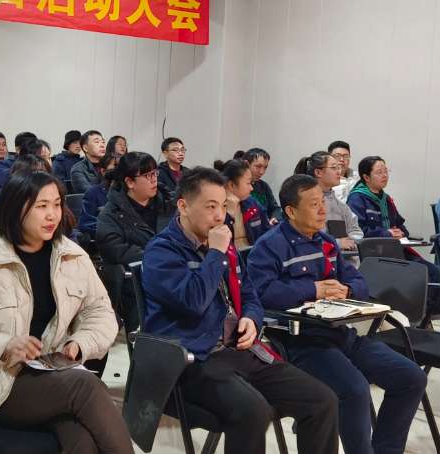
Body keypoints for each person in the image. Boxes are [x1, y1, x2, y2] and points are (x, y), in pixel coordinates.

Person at [141, 167, 340, 454]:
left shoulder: (224, 246)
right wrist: (215, 253)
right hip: (192, 358)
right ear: (183, 206)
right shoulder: (162, 251)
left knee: (322, 400)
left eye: (223, 206)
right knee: (253, 412)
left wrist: (251, 319)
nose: (219, 216)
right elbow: (193, 301)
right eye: (210, 207)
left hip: (240, 350)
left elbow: (250, 294)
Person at [0, 172, 131, 454]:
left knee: (82, 440)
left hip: (55, 373)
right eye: (41, 206)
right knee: (86, 387)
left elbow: (100, 312)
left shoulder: (72, 256)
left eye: (57, 204)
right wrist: (3, 344)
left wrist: (80, 343)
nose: (52, 215)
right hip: (2, 382)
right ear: (16, 209)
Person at [248, 174, 426, 454]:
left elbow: (358, 281)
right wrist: (313, 289)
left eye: (323, 202)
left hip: (341, 332)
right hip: (301, 341)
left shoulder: (325, 241)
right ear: (291, 211)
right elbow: (262, 293)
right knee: (355, 390)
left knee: (411, 377)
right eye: (314, 204)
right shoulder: (269, 246)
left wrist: (346, 289)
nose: (323, 210)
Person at [94, 152, 173, 329]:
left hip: (172, 274)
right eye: (147, 175)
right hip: (137, 282)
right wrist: (157, 258)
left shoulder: (168, 203)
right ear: (130, 182)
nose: (154, 179)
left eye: (155, 173)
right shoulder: (111, 214)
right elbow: (115, 249)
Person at [347, 156, 439, 281]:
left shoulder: (386, 199)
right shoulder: (357, 199)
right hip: (374, 254)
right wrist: (387, 234)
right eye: (379, 172)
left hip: (395, 249)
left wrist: (401, 233)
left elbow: (399, 224)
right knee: (422, 274)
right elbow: (358, 232)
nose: (384, 175)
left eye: (386, 171)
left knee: (433, 271)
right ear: (366, 177)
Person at [294, 151, 360, 253]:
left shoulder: (341, 205)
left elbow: (355, 230)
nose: (339, 172)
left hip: (343, 258)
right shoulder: (305, 204)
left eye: (339, 167)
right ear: (318, 172)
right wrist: (337, 243)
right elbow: (306, 239)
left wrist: (351, 241)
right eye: (334, 168)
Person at [214, 158, 270, 247]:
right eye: (248, 183)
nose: (251, 188)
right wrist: (229, 214)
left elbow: (267, 232)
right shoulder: (214, 208)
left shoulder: (252, 203)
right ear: (231, 185)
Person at [76, 152, 117, 241]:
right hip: (105, 239)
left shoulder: (128, 192)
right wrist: (112, 230)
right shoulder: (93, 193)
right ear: (103, 171)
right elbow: (86, 223)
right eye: (115, 166)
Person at [239, 148, 281, 221]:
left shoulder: (264, 186)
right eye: (258, 166)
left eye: (265, 168)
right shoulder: (237, 187)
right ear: (246, 164)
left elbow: (275, 209)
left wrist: (274, 218)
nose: (262, 172)